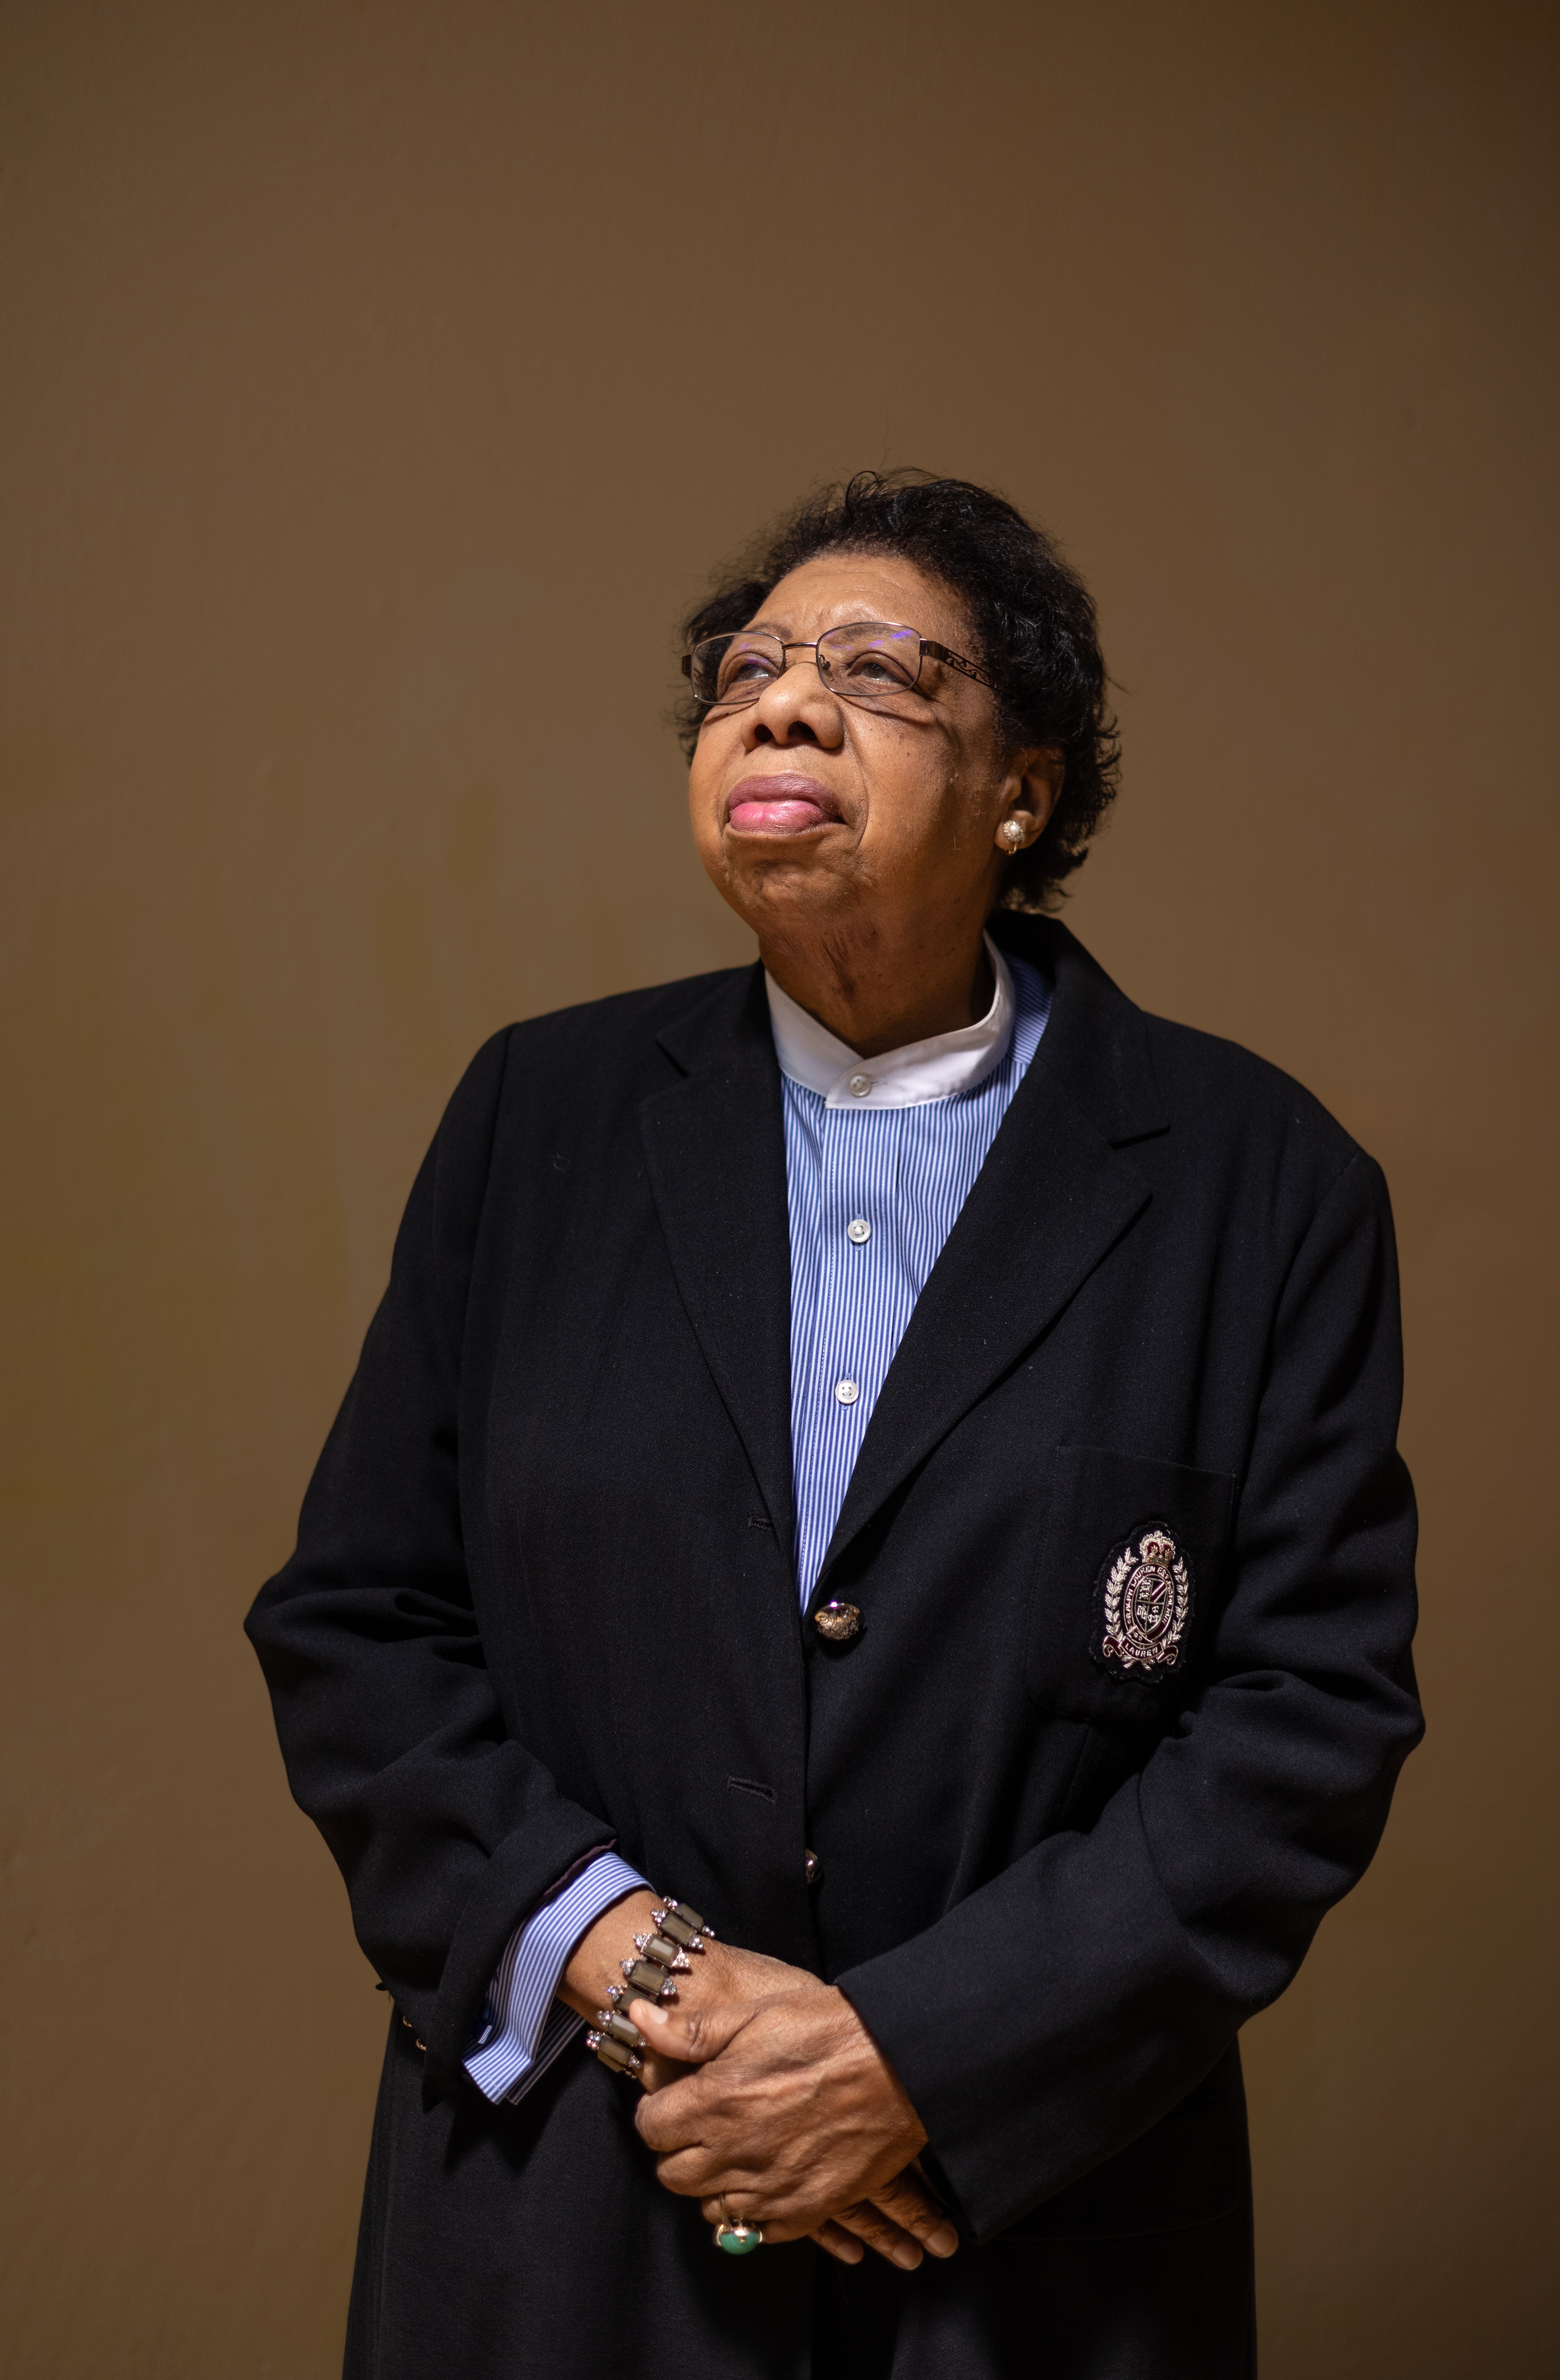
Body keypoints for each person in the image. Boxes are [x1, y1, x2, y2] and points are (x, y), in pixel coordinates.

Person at [246, 470, 1422, 2380]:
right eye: (748, 669)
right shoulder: (533, 1124)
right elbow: (359, 1626)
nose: (781, 705)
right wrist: (654, 1980)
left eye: (878, 671)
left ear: (1024, 791)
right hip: (575, 2215)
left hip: (1028, 2247)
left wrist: (912, 2058)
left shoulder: (1259, 1185)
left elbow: (1306, 1723)